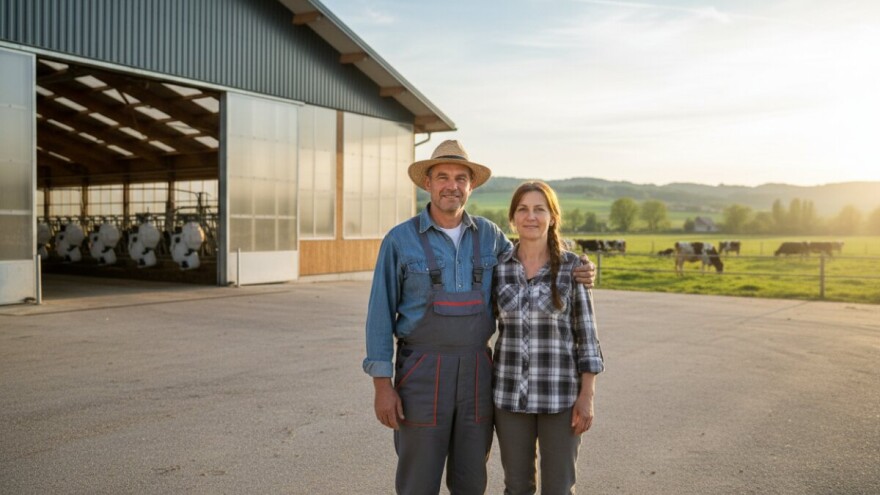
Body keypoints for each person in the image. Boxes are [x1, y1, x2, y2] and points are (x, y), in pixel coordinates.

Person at [363, 141, 595, 495]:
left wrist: (580, 266)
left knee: (471, 480)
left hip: (477, 373)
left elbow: (532, 256)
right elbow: (379, 315)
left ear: (471, 186)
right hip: (421, 371)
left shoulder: (490, 236)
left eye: (461, 178)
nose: (452, 186)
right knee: (417, 481)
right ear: (427, 182)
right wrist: (382, 386)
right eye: (443, 177)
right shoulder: (399, 240)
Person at [492, 181, 605, 495]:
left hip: (561, 397)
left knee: (558, 488)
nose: (531, 216)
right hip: (509, 397)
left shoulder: (573, 268)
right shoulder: (498, 268)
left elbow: (587, 337)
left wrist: (587, 396)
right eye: (523, 209)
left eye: (539, 209)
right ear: (513, 218)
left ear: (553, 217)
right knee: (516, 487)